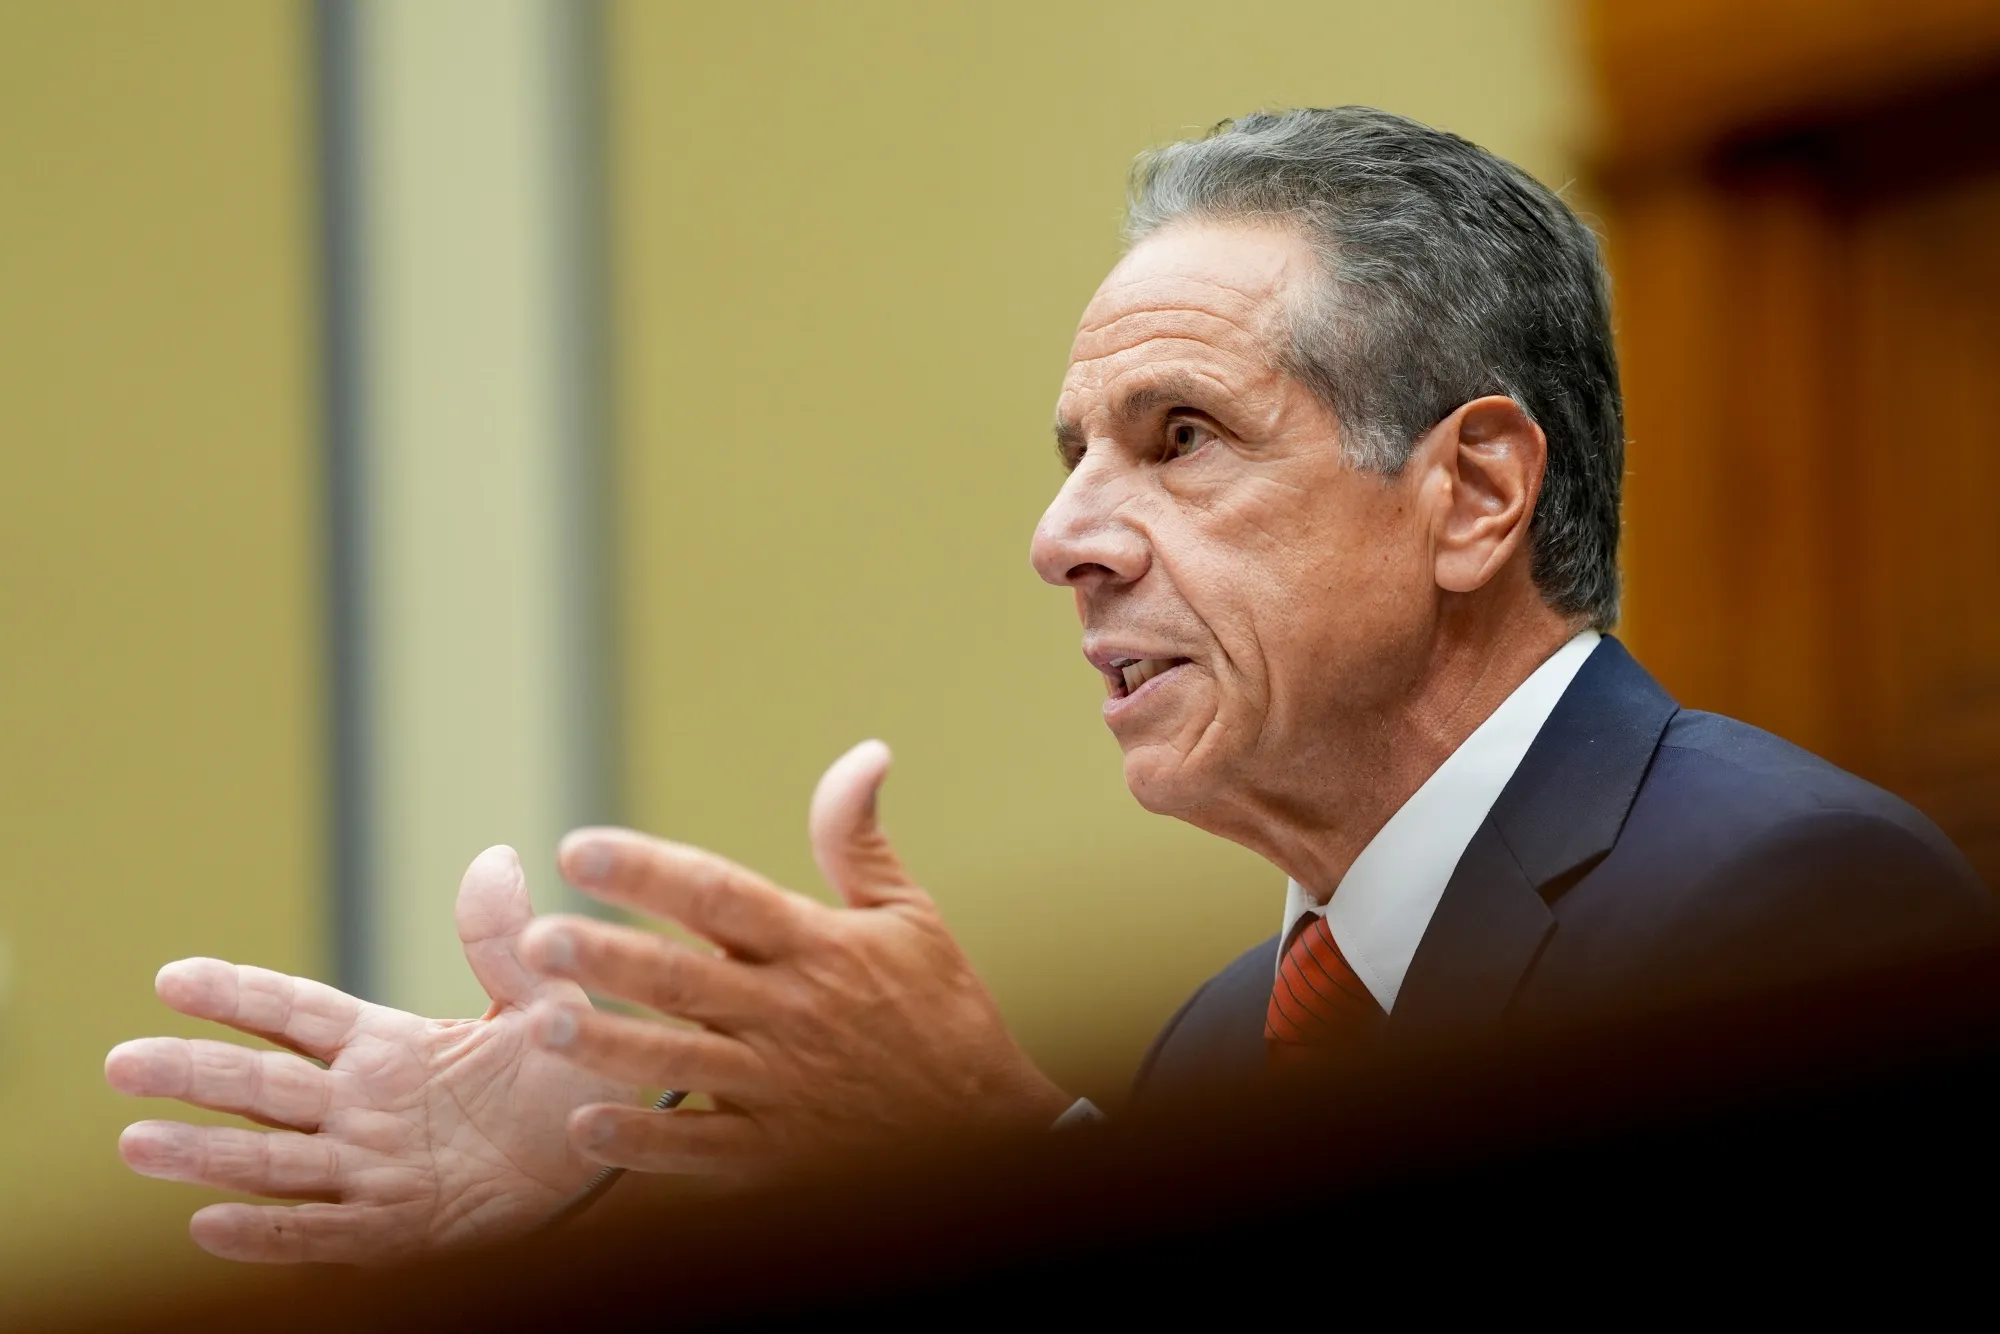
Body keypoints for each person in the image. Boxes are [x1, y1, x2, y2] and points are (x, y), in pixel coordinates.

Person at [105, 107, 1992, 1265]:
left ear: (1475, 492)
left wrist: (1008, 1155)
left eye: (1178, 437)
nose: (1065, 537)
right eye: (1071, 452)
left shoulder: (1788, 915)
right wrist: (624, 1170)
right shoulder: (1220, 1045)